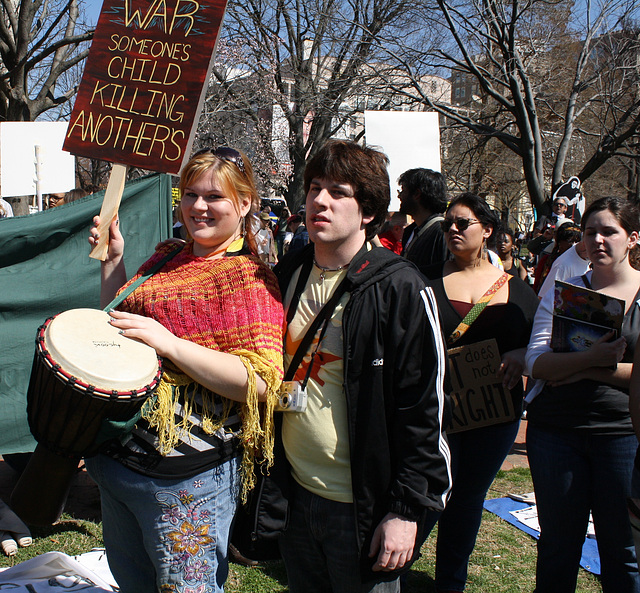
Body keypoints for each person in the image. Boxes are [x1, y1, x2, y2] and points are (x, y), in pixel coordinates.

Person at [85, 147, 284, 593]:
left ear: (245, 203)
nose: (197, 207)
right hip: (121, 462)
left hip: (187, 480)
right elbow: (120, 322)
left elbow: (261, 384)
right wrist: (115, 262)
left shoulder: (248, 279)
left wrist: (170, 344)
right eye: (189, 194)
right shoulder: (167, 255)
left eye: (214, 197)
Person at [274, 140, 451, 592]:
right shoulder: (289, 270)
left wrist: (406, 511)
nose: (320, 201)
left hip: (362, 507)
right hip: (296, 492)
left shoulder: (401, 289)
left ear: (368, 210)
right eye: (315, 188)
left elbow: (424, 410)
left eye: (338, 192)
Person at [420, 192, 539, 593]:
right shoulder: (425, 281)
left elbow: (539, 341)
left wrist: (523, 353)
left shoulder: (518, 291)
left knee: (468, 498)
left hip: (495, 416)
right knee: (426, 491)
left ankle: (451, 581)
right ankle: (393, 566)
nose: (452, 229)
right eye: (448, 223)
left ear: (486, 231)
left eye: (462, 223)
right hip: (437, 411)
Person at [525, 196, 640, 593]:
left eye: (609, 231)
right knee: (558, 545)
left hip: (623, 435)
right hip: (556, 431)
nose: (598, 239)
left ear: (633, 239)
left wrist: (587, 367)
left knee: (623, 551)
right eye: (591, 232)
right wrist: (596, 359)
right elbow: (535, 362)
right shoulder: (563, 291)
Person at [398, 168, 449, 270]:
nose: (399, 196)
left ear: (417, 194)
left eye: (403, 190)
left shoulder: (442, 232)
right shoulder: (410, 231)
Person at [532, 222, 582, 294]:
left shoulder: (586, 264)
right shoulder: (547, 261)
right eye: (570, 241)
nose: (574, 245)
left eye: (577, 242)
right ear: (559, 242)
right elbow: (537, 288)